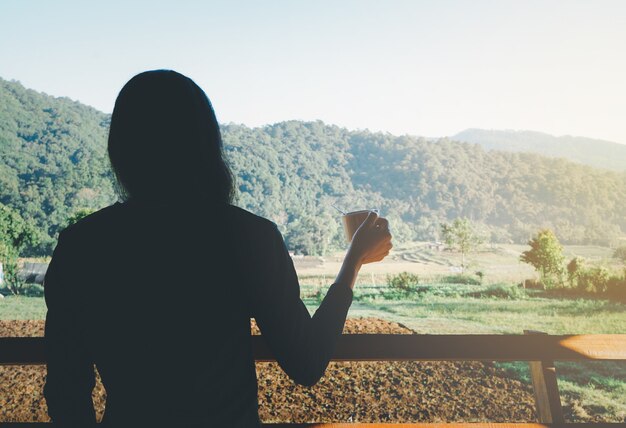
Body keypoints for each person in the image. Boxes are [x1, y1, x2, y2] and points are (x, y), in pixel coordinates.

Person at [43, 69, 393, 427]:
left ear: (121, 149)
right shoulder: (248, 236)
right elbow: (306, 361)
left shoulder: (82, 245)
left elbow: (66, 391)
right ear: (207, 146)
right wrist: (353, 260)